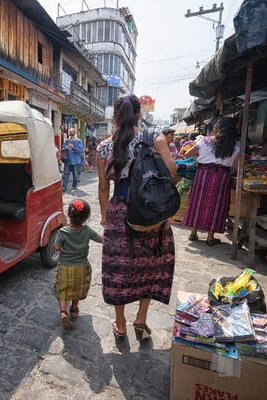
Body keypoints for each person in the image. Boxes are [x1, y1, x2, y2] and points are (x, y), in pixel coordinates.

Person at [97, 95, 177, 340]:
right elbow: (171, 171)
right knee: (151, 265)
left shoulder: (104, 147)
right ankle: (141, 319)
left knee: (118, 268)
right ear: (139, 115)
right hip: (149, 212)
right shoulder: (155, 139)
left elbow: (103, 187)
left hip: (119, 211)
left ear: (115, 116)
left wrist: (104, 217)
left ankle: (120, 323)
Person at [182, 117, 241, 246]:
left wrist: (199, 159)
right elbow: (237, 166)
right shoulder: (237, 145)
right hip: (222, 176)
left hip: (203, 174)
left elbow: (187, 154)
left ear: (217, 128)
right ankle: (210, 237)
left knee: (198, 202)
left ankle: (193, 232)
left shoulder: (204, 141)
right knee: (217, 205)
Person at [53, 199, 103, 330]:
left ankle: (63, 313)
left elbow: (57, 248)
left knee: (63, 289)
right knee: (77, 289)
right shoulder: (87, 231)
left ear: (70, 214)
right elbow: (101, 239)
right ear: (85, 217)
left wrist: (56, 244)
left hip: (65, 267)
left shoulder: (63, 232)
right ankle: (74, 309)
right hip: (81, 267)